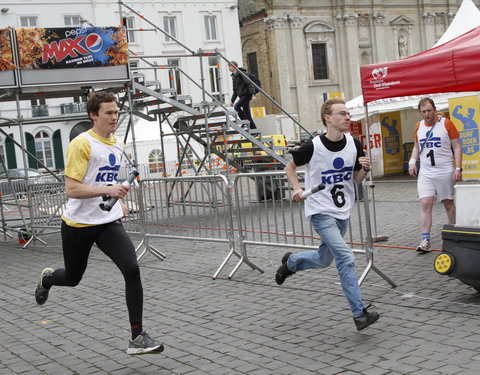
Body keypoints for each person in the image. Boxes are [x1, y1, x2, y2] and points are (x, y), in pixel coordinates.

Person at [34, 91, 164, 355]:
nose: (114, 117)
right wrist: (109, 190)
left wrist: (119, 200)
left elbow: (109, 182)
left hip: (107, 221)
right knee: (72, 278)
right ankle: (48, 278)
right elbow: (72, 189)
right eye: (108, 112)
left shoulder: (118, 143)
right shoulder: (81, 144)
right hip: (78, 224)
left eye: (116, 112)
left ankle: (137, 337)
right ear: (94, 115)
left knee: (132, 269)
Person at [276, 97, 379, 331]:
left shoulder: (354, 144)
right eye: (342, 113)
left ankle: (291, 263)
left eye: (348, 114)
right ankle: (359, 314)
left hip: (342, 211)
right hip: (321, 212)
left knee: (324, 260)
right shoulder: (313, 146)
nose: (347, 117)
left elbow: (355, 180)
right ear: (328, 118)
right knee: (346, 257)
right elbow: (289, 167)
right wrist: (297, 189)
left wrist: (364, 169)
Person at [408, 97, 462, 253]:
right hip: (426, 171)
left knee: (448, 203)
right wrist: (412, 161)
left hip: (445, 170)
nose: (427, 114)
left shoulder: (446, 123)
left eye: (429, 110)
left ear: (435, 109)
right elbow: (417, 147)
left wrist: (458, 168)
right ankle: (425, 239)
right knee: (425, 202)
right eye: (423, 111)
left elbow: (457, 146)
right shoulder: (418, 126)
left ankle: (454, 235)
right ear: (420, 112)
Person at [229, 60, 257, 130]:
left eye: (230, 66)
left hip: (247, 95)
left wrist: (253, 94)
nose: (229, 68)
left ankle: (245, 122)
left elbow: (249, 83)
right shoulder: (234, 76)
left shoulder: (241, 73)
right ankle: (254, 129)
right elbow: (235, 90)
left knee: (237, 107)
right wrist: (232, 101)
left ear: (234, 66)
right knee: (247, 114)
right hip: (242, 96)